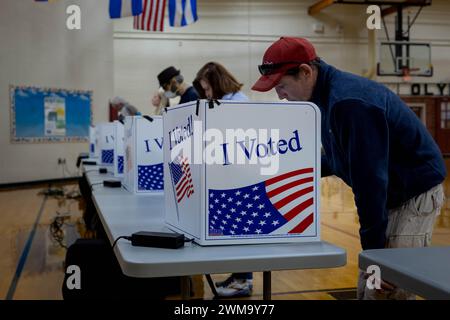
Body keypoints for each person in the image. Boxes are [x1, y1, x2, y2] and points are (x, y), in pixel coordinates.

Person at [252, 37, 446, 300]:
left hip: (414, 191)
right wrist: (283, 168)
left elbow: (370, 183)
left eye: (282, 86)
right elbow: (337, 159)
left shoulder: (349, 103)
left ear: (306, 72)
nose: (280, 95)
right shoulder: (321, 100)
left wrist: (375, 257)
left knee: (388, 287)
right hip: (388, 188)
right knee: (369, 285)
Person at [193, 61, 253, 298]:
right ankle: (238, 276)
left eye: (208, 89)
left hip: (239, 175)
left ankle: (244, 281)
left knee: (240, 230)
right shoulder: (225, 101)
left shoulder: (238, 102)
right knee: (233, 232)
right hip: (227, 173)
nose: (206, 94)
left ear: (217, 83)